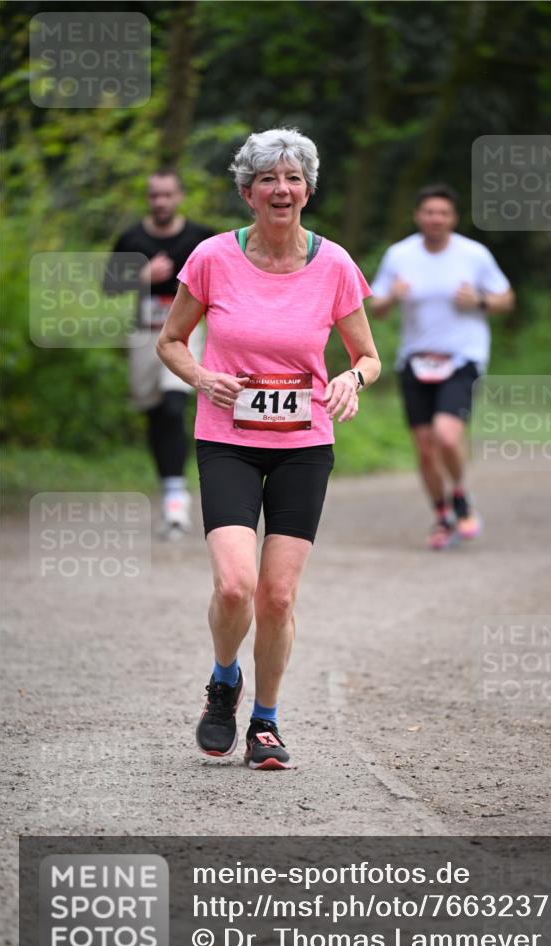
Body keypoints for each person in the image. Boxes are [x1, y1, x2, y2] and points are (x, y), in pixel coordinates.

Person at [156, 128, 381, 770]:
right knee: (235, 586)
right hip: (226, 439)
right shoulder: (210, 258)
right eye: (266, 179)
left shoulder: (334, 264)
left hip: (304, 445)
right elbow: (171, 341)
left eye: (292, 178)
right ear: (248, 192)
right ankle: (224, 679)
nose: (280, 190)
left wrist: (349, 378)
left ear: (307, 189)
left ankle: (266, 722)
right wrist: (202, 376)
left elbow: (369, 356)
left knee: (277, 597)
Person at [371, 184, 515, 550]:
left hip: (462, 357)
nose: (436, 218)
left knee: (447, 436)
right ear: (418, 216)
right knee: (423, 447)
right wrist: (393, 296)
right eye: (429, 212)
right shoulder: (399, 255)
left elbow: (507, 298)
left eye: (443, 213)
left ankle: (461, 495)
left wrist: (479, 300)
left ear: (453, 218)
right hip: (415, 360)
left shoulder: (474, 254)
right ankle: (442, 515)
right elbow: (375, 307)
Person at [105, 170, 215, 536]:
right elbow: (108, 286)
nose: (161, 202)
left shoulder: (201, 238)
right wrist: (143, 277)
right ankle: (170, 485)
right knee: (155, 414)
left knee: (173, 404)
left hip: (186, 334)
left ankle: (176, 499)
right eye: (154, 196)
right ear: (148, 199)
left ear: (179, 196)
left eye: (167, 195)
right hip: (145, 334)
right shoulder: (131, 238)